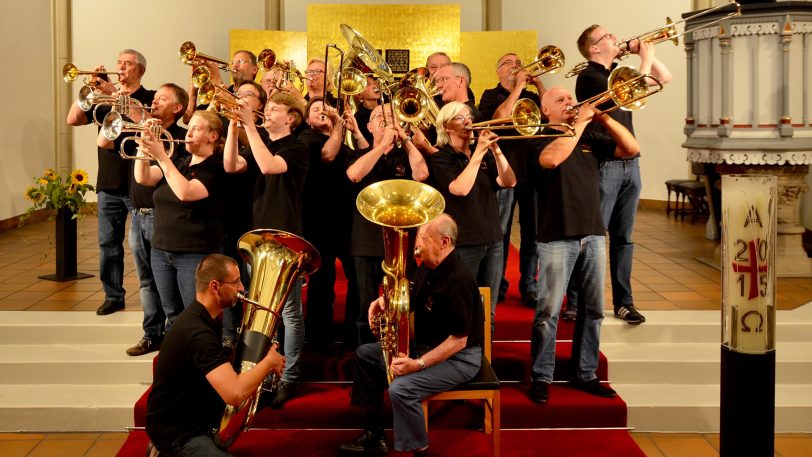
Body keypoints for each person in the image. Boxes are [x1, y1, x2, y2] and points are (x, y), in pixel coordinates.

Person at [527, 86, 640, 404]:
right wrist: (578, 125)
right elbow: (551, 160)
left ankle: (585, 373)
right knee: (548, 311)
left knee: (593, 310)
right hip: (556, 236)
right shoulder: (536, 136)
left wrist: (604, 118)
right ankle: (541, 375)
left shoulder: (590, 136)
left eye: (569, 99)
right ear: (545, 110)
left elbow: (631, 149)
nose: (570, 103)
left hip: (592, 233)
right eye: (560, 100)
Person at [338, 214, 483, 457]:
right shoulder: (427, 267)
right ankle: (374, 433)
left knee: (402, 389)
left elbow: (459, 340)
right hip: (426, 346)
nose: (417, 246)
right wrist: (382, 301)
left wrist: (417, 365)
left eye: (423, 239)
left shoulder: (459, 279)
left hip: (460, 358)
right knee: (365, 354)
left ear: (444, 242)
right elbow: (408, 300)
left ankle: (420, 451)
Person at [563, 25, 673, 324]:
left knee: (624, 239)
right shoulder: (589, 76)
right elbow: (626, 98)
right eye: (606, 36)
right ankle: (577, 301)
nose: (614, 37)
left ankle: (624, 302)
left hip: (630, 164)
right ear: (594, 48)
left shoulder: (620, 72)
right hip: (606, 164)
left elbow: (664, 79)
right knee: (592, 237)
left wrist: (646, 53)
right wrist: (645, 60)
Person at [145, 253, 285, 457]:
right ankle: (162, 450)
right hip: (178, 433)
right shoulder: (198, 333)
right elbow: (235, 394)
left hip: (195, 416)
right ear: (214, 286)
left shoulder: (205, 317)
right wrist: (268, 362)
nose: (241, 289)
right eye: (235, 282)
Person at [223, 92, 308, 409]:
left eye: (274, 108)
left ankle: (290, 377)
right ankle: (264, 373)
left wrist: (249, 125)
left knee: (290, 314)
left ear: (291, 118)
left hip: (285, 238)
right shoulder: (257, 143)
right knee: (260, 310)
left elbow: (270, 167)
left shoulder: (296, 146)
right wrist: (234, 128)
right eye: (266, 107)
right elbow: (231, 166)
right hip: (258, 240)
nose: (266, 111)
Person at [97, 83, 189, 356]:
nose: (155, 102)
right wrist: (118, 111)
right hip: (138, 215)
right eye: (155, 97)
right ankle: (151, 334)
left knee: (168, 283)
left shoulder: (180, 137)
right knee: (146, 281)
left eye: (162, 99)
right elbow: (103, 142)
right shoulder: (139, 128)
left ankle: (175, 338)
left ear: (177, 108)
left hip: (163, 217)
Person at [66, 49, 155, 316]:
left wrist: (120, 101)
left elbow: (144, 121)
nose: (121, 68)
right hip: (108, 182)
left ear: (140, 70)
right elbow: (73, 119)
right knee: (108, 244)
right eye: (119, 63)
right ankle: (113, 295)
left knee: (141, 246)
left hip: (137, 184)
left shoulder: (149, 98)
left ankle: (152, 297)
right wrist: (91, 89)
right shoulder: (103, 97)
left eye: (127, 64)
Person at [346, 104, 429, 345]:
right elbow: (354, 175)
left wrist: (406, 139)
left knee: (403, 304)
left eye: (390, 116)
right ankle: (366, 355)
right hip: (366, 242)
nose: (384, 120)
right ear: (369, 127)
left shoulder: (405, 156)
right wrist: (382, 145)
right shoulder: (358, 154)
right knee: (365, 308)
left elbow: (422, 174)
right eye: (377, 117)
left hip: (401, 242)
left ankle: (403, 350)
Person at [134, 110, 227, 325]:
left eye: (196, 128)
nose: (189, 132)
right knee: (172, 314)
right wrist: (144, 144)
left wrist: (161, 156)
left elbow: (187, 193)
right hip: (161, 249)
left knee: (197, 314)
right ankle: (180, 356)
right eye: (189, 127)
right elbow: (144, 177)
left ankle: (202, 356)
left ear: (212, 136)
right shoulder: (180, 161)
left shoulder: (215, 167)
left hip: (194, 253)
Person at [429, 102, 516, 331]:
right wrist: (479, 152)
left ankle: (484, 361)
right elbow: (460, 189)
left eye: (469, 116)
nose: (468, 120)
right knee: (462, 306)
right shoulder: (441, 158)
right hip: (465, 243)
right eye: (460, 118)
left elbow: (509, 182)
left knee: (489, 309)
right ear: (447, 126)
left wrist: (496, 151)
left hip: (493, 239)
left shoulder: (484, 156)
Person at [299, 97, 368, 351]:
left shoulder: (343, 142)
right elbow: (328, 155)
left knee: (357, 279)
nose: (321, 112)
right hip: (319, 221)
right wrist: (338, 124)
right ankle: (318, 337)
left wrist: (353, 130)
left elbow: (365, 156)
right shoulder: (307, 139)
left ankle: (353, 334)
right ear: (307, 119)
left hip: (347, 221)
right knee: (321, 281)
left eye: (326, 109)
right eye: (315, 110)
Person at [479, 52, 546, 307]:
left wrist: (538, 85)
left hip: (532, 175)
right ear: (498, 71)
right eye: (509, 62)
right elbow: (498, 119)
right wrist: (518, 86)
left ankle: (529, 286)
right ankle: (500, 284)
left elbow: (550, 116)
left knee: (534, 234)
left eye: (518, 63)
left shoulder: (532, 98)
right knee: (502, 234)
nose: (516, 66)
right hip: (504, 176)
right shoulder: (489, 95)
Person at [353, 76, 380, 144]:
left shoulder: (387, 109)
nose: (374, 86)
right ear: (359, 94)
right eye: (367, 84)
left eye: (374, 83)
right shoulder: (359, 117)